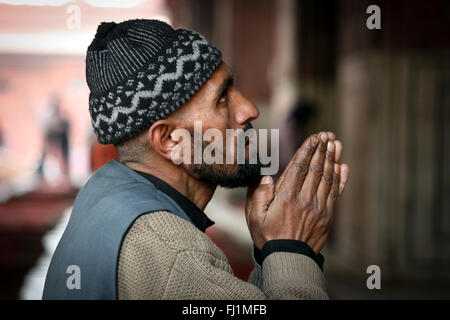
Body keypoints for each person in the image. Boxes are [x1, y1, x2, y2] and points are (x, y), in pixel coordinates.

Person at [42, 19, 349, 300]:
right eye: (222, 99)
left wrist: (268, 248)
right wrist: (293, 248)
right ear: (170, 140)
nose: (249, 109)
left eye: (233, 87)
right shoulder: (172, 252)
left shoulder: (104, 191)